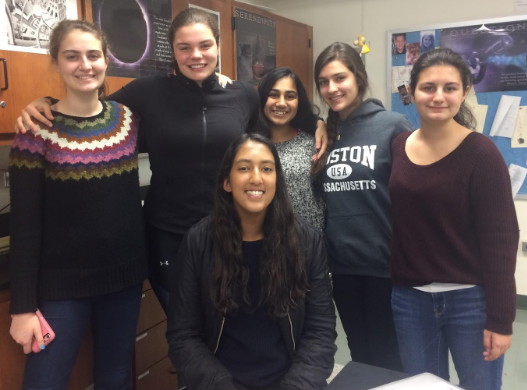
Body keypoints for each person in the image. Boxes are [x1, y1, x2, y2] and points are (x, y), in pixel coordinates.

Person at [15, 8, 328, 315]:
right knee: (183, 328)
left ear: (218, 47)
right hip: (166, 234)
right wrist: (45, 103)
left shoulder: (242, 95)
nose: (196, 55)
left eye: (205, 45)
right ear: (173, 52)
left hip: (229, 230)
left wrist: (319, 125)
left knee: (229, 323)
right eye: (185, 47)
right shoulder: (147, 91)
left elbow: (276, 128)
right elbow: (88, 109)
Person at [8, 20, 148, 389]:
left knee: (116, 378)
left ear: (105, 61)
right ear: (55, 62)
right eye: (72, 56)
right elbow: (24, 226)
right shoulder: (35, 131)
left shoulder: (127, 120)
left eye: (93, 55)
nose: (85, 65)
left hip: (125, 281)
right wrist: (21, 307)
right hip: (61, 291)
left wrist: (221, 82)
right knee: (43, 382)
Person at [389, 48, 518, 390]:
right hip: (409, 299)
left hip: (470, 303)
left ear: (464, 93)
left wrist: (501, 319)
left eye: (450, 87)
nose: (438, 97)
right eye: (428, 87)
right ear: (412, 91)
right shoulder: (399, 146)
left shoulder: (481, 153)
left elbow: (502, 240)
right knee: (423, 386)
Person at [167, 133, 336, 390]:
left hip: (290, 382)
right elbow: (183, 336)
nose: (256, 178)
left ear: (277, 180)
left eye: (267, 169)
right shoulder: (198, 242)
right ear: (226, 181)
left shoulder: (306, 242)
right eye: (244, 168)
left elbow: (320, 331)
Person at [315, 42, 414, 371]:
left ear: (358, 77)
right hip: (342, 269)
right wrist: (318, 123)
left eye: (339, 78)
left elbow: (415, 196)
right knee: (359, 355)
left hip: (385, 270)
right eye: (323, 82)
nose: (332, 88)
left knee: (391, 358)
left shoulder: (392, 125)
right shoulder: (329, 133)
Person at [255, 67, 325, 231]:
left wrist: (320, 123)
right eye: (273, 95)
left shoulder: (314, 144)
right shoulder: (250, 147)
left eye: (290, 96)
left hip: (312, 244)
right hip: (265, 242)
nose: (281, 103)